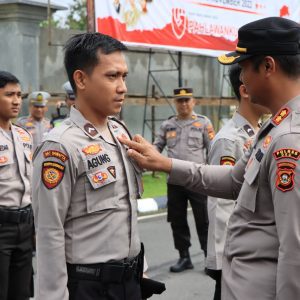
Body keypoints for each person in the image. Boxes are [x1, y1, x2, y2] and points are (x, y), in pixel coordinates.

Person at [119, 17, 300, 299]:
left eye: (243, 68)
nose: (241, 78)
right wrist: (163, 163)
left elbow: (295, 252)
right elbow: (235, 179)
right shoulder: (276, 126)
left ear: (267, 66)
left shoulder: (289, 138)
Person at [32, 32, 155, 300]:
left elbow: (126, 206)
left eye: (124, 76)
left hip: (129, 282)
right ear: (81, 79)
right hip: (89, 287)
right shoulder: (60, 146)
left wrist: (140, 269)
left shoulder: (118, 130)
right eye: (112, 76)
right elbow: (49, 231)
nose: (122, 86)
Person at [206, 64, 268, 300]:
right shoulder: (229, 139)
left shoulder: (260, 131)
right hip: (233, 256)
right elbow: (221, 202)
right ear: (245, 90)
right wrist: (221, 259)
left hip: (250, 249)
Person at [154, 87, 214, 272]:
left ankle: (208, 258)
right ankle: (184, 257)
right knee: (177, 221)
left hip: (197, 180)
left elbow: (212, 149)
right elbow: (157, 147)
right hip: (175, 182)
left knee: (203, 221)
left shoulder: (203, 123)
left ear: (193, 102)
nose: (184, 104)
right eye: (180, 101)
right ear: (175, 103)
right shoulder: (167, 125)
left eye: (187, 100)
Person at [0, 71, 34, 300]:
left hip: (25, 225)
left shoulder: (24, 135)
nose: (16, 100)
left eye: (19, 95)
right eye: (9, 94)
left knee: (20, 293)